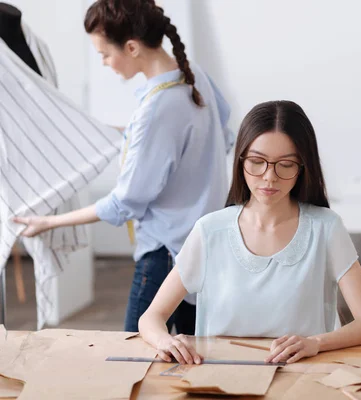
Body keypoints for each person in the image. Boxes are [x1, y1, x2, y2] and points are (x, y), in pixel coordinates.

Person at [13, 0, 233, 335]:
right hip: (202, 246)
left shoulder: (159, 107)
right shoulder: (193, 77)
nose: (104, 63)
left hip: (165, 253)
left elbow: (124, 202)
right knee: (194, 351)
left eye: (104, 54)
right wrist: (120, 133)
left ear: (131, 47)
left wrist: (47, 221)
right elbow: (219, 134)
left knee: (134, 351)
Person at [138, 100, 361, 364]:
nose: (269, 177)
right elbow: (151, 318)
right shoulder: (210, 231)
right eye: (257, 162)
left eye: (286, 164)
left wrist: (315, 343)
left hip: (302, 380)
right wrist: (166, 341)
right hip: (220, 380)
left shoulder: (326, 228)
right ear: (241, 160)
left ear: (303, 166)